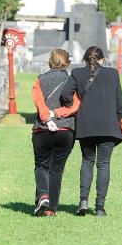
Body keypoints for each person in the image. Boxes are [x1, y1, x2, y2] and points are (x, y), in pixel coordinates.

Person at [61, 46, 122, 217]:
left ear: (85, 60)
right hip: (108, 125)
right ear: (102, 60)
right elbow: (119, 101)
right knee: (104, 164)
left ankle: (83, 200)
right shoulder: (113, 74)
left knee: (87, 161)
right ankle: (100, 207)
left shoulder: (77, 73)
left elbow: (65, 95)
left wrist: (77, 104)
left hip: (86, 124)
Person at [31, 49, 81, 217]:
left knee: (41, 165)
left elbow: (39, 103)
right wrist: (58, 113)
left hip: (42, 129)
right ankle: (51, 209)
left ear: (49, 62)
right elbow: (74, 106)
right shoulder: (72, 82)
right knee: (57, 170)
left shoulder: (40, 80)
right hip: (66, 130)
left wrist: (47, 117)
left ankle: (43, 195)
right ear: (67, 63)